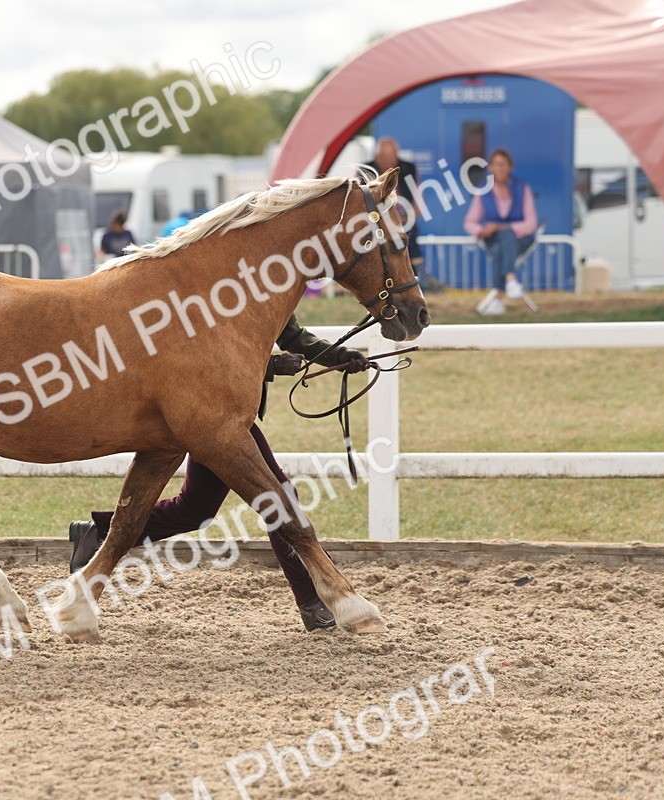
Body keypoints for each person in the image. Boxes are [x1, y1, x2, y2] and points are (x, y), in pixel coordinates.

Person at [67, 315, 368, 632]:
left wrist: (338, 356)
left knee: (195, 509)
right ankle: (313, 601)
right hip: (209, 411)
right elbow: (203, 353)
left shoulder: (267, 286)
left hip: (221, 415)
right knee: (278, 498)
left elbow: (291, 334)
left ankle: (96, 532)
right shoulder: (217, 287)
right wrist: (271, 366)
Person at [465, 148, 538, 315]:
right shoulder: (482, 192)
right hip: (494, 239)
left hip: (521, 240)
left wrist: (505, 228)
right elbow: (469, 222)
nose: (500, 168)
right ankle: (510, 279)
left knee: (505, 237)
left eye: (504, 165)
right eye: (497, 165)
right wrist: (482, 230)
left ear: (510, 167)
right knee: (501, 243)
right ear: (490, 168)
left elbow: (531, 223)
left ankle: (498, 298)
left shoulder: (522, 188)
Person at [364, 137, 424, 276]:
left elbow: (418, 202)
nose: (390, 162)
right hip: (374, 222)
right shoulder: (366, 170)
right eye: (385, 158)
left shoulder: (408, 169)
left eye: (393, 157)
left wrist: (407, 218)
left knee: (408, 235)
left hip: (403, 221)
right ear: (376, 156)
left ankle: (417, 273)